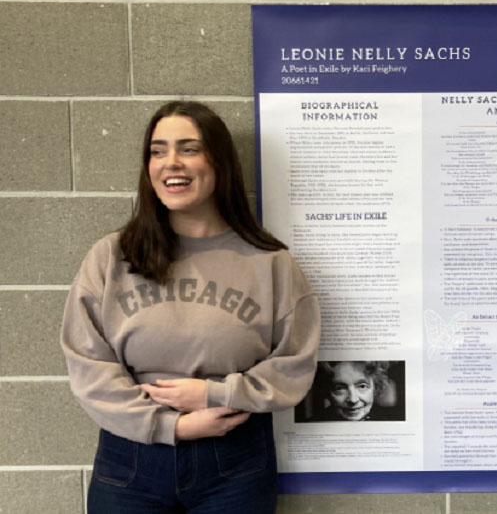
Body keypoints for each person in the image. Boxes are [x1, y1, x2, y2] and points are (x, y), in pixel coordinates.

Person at [60, 101, 320, 513]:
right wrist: (171, 425)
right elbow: (87, 364)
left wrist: (216, 394)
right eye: (158, 151)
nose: (170, 163)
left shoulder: (271, 264)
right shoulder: (112, 256)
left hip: (234, 457)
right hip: (131, 457)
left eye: (189, 148)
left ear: (220, 162)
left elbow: (295, 362)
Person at [308, 361, 401, 421]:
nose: (353, 400)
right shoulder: (310, 426)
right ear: (327, 392)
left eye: (362, 386)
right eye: (339, 388)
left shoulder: (392, 422)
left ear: (375, 388)